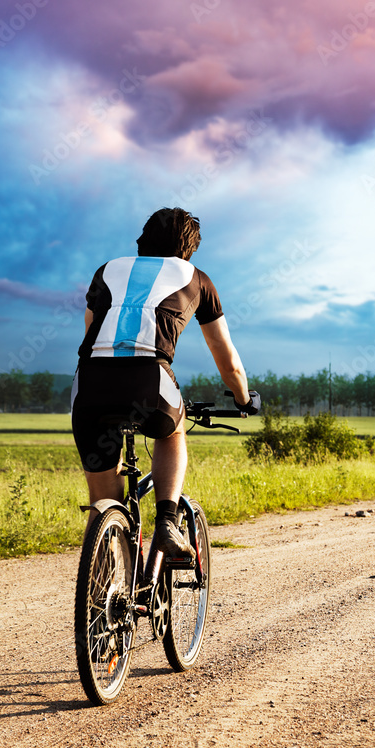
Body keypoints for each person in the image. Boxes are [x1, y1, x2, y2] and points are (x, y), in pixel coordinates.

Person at [71, 207, 260, 558]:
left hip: (90, 382)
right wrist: (244, 398)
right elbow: (226, 357)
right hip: (148, 377)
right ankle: (167, 524)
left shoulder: (106, 270)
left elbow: (91, 332)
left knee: (104, 501)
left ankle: (102, 582)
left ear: (143, 240)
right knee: (172, 431)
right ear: (188, 249)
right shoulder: (197, 278)